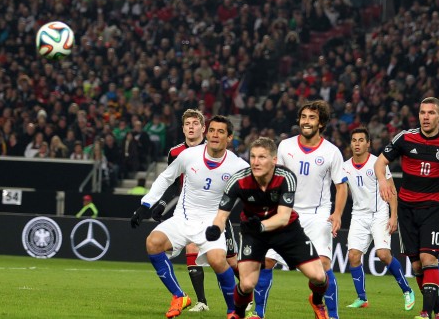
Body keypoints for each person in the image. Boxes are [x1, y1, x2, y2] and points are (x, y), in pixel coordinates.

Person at [129, 115, 248, 318]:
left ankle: (233, 311)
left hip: (212, 222)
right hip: (183, 218)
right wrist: (146, 204)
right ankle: (179, 296)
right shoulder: (189, 155)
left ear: (229, 138)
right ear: (207, 133)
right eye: (212, 130)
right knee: (153, 242)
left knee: (219, 261)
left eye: (221, 132)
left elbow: (255, 190)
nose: (215, 135)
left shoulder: (238, 166)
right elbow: (166, 177)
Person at [206, 137, 330, 319]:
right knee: (247, 284)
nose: (256, 162)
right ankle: (238, 314)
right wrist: (216, 228)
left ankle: (317, 301)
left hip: (287, 231)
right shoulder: (238, 180)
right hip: (253, 233)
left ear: (274, 160)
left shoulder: (286, 177)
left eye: (262, 157)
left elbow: (283, 217)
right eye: (253, 157)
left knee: (319, 276)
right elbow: (222, 215)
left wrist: (261, 226)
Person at [374, 97, 439, 319]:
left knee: (429, 259)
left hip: (433, 208)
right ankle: (438, 310)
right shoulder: (405, 138)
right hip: (407, 209)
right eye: (422, 112)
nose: (425, 117)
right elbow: (380, 163)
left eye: (430, 113)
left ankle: (426, 312)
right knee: (417, 266)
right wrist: (382, 180)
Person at [253, 100, 348, 319]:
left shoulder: (332, 152)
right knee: (266, 261)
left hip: (318, 214)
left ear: (321, 123)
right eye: (304, 117)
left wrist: (337, 214)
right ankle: (258, 313)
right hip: (287, 212)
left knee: (322, 267)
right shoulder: (285, 146)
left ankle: (325, 309)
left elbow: (341, 186)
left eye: (312, 117)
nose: (306, 121)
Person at [342, 127, 415, 311]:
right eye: (354, 140)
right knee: (353, 256)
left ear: (368, 144)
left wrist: (393, 216)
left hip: (379, 213)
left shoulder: (378, 164)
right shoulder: (345, 166)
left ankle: (407, 290)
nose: (357, 144)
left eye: (361, 140)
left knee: (383, 254)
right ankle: (362, 298)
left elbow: (392, 191)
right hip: (358, 215)